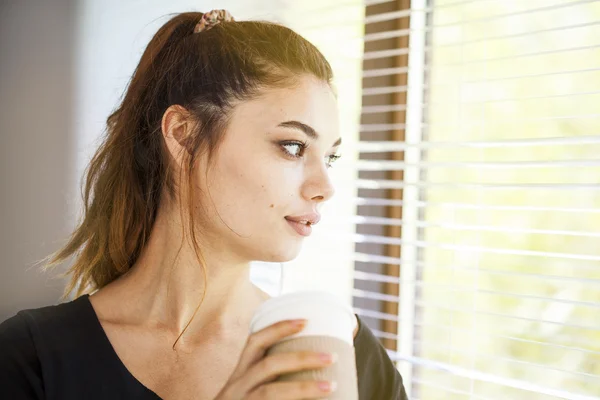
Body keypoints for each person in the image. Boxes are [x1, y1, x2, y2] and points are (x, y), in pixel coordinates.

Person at [0, 10, 408, 400]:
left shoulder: (341, 354)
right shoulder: (30, 358)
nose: (325, 186)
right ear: (183, 135)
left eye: (330, 157)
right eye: (293, 146)